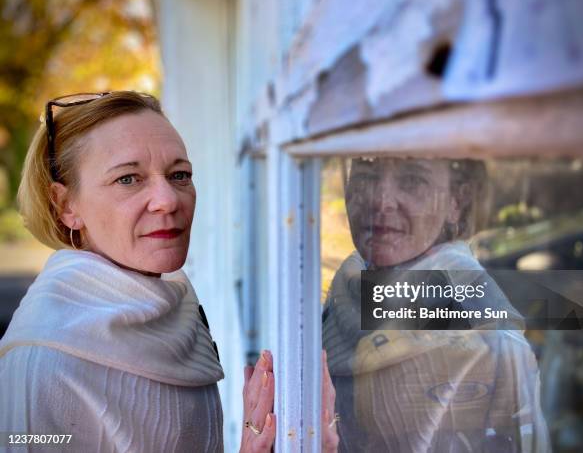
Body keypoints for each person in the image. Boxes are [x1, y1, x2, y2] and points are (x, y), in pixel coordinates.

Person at [0, 91, 287, 452]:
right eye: (127, 179)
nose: (168, 200)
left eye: (179, 174)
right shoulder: (47, 362)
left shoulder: (171, 302)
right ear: (65, 205)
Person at [322, 157, 550, 452]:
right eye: (365, 173)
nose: (381, 201)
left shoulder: (488, 337)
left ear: (456, 201)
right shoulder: (341, 297)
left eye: (412, 180)